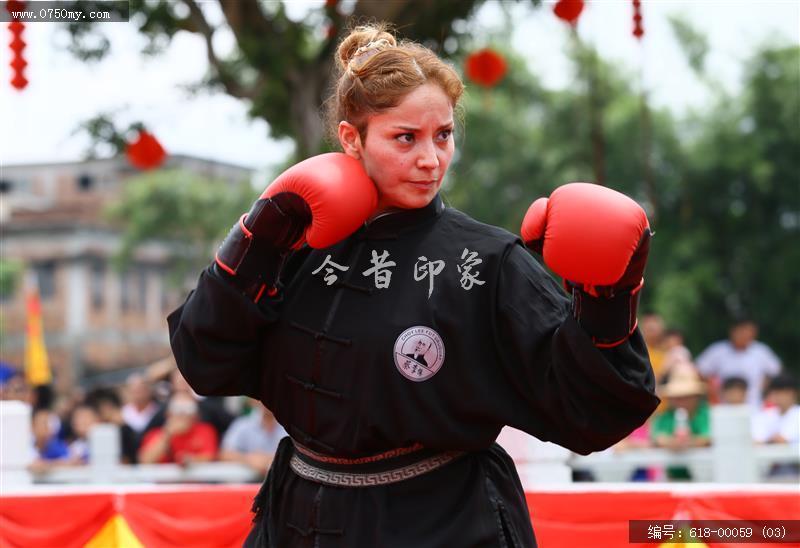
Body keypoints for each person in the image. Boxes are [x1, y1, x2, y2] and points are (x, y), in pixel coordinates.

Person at [167, 24, 659, 547]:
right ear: (352, 138)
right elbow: (206, 361)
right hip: (297, 522)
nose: (431, 160)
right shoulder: (297, 240)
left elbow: (594, 414)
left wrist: (609, 299)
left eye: (442, 135)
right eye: (406, 138)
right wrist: (255, 242)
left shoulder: (487, 261)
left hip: (441, 522)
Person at [696, 319, 781, 408]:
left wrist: (767, 391)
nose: (745, 334)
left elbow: (776, 373)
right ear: (732, 331)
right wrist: (711, 390)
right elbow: (699, 371)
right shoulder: (718, 350)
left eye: (749, 331)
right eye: (742, 331)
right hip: (723, 406)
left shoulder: (761, 351)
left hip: (754, 406)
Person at [651, 368, 710, 480]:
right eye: (676, 398)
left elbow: (708, 438)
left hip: (706, 478)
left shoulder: (706, 415)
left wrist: (687, 443)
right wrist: (672, 443)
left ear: (696, 397)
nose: (680, 402)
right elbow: (657, 437)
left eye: (685, 397)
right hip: (672, 478)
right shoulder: (666, 417)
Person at [137, 392, 218, 465]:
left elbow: (210, 457)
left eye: (188, 409)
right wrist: (167, 434)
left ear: (195, 415)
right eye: (177, 408)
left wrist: (191, 460)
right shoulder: (156, 434)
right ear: (168, 414)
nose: (182, 414)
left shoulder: (205, 430)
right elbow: (145, 460)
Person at [220, 400, 288, 477]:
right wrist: (249, 459)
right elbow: (225, 454)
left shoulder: (291, 427)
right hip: (248, 483)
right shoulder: (242, 424)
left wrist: (272, 460)